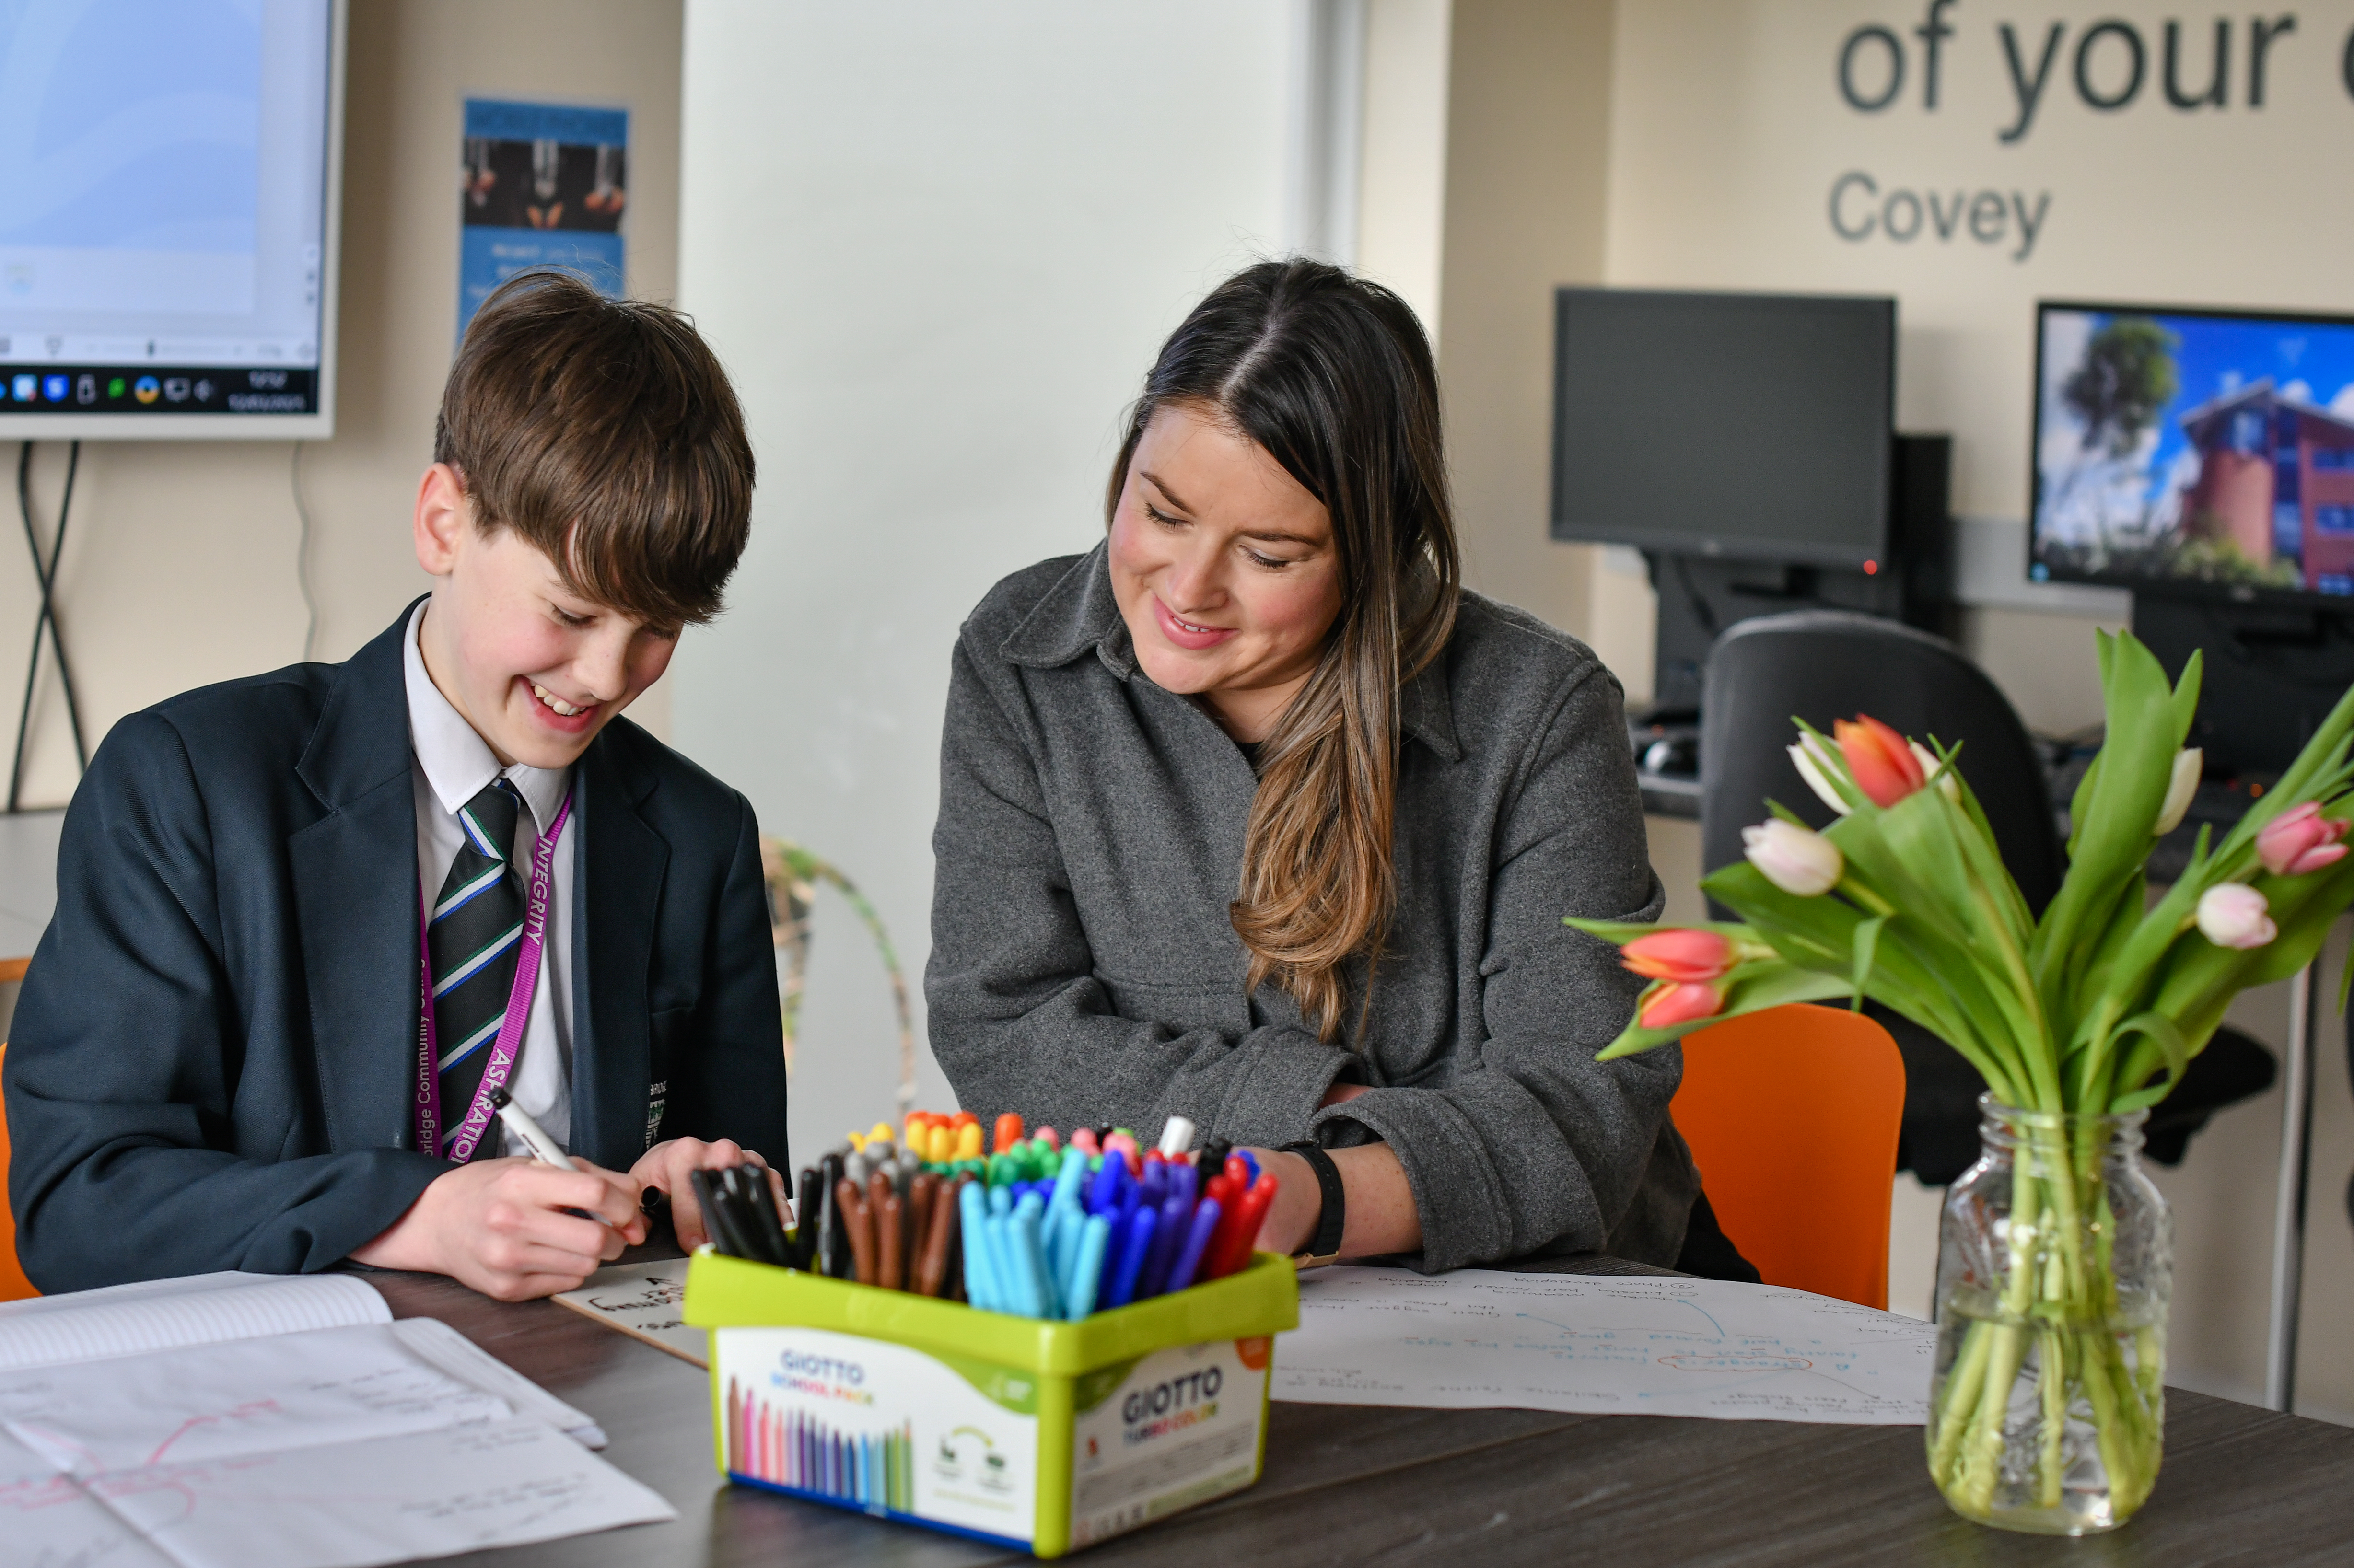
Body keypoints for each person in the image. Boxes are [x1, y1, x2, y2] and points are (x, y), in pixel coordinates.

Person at [928, 258, 1752, 1277]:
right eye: (1163, 511)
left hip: (1567, 1308)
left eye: (1268, 555)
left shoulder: (1541, 714)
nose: (1187, 587)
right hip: (1198, 1287)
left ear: (1373, 552)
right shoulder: (1021, 656)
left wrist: (1294, 1193)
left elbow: (1579, 1116)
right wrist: (1340, 1119)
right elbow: (1004, 1028)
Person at [5, 271, 790, 1299]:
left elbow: (733, 1202)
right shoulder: (188, 786)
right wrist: (408, 1212)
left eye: (656, 632)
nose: (607, 677)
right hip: (282, 1405)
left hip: (579, 1397)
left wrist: (689, 1195)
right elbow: (79, 1201)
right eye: (570, 611)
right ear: (443, 524)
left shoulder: (701, 836)